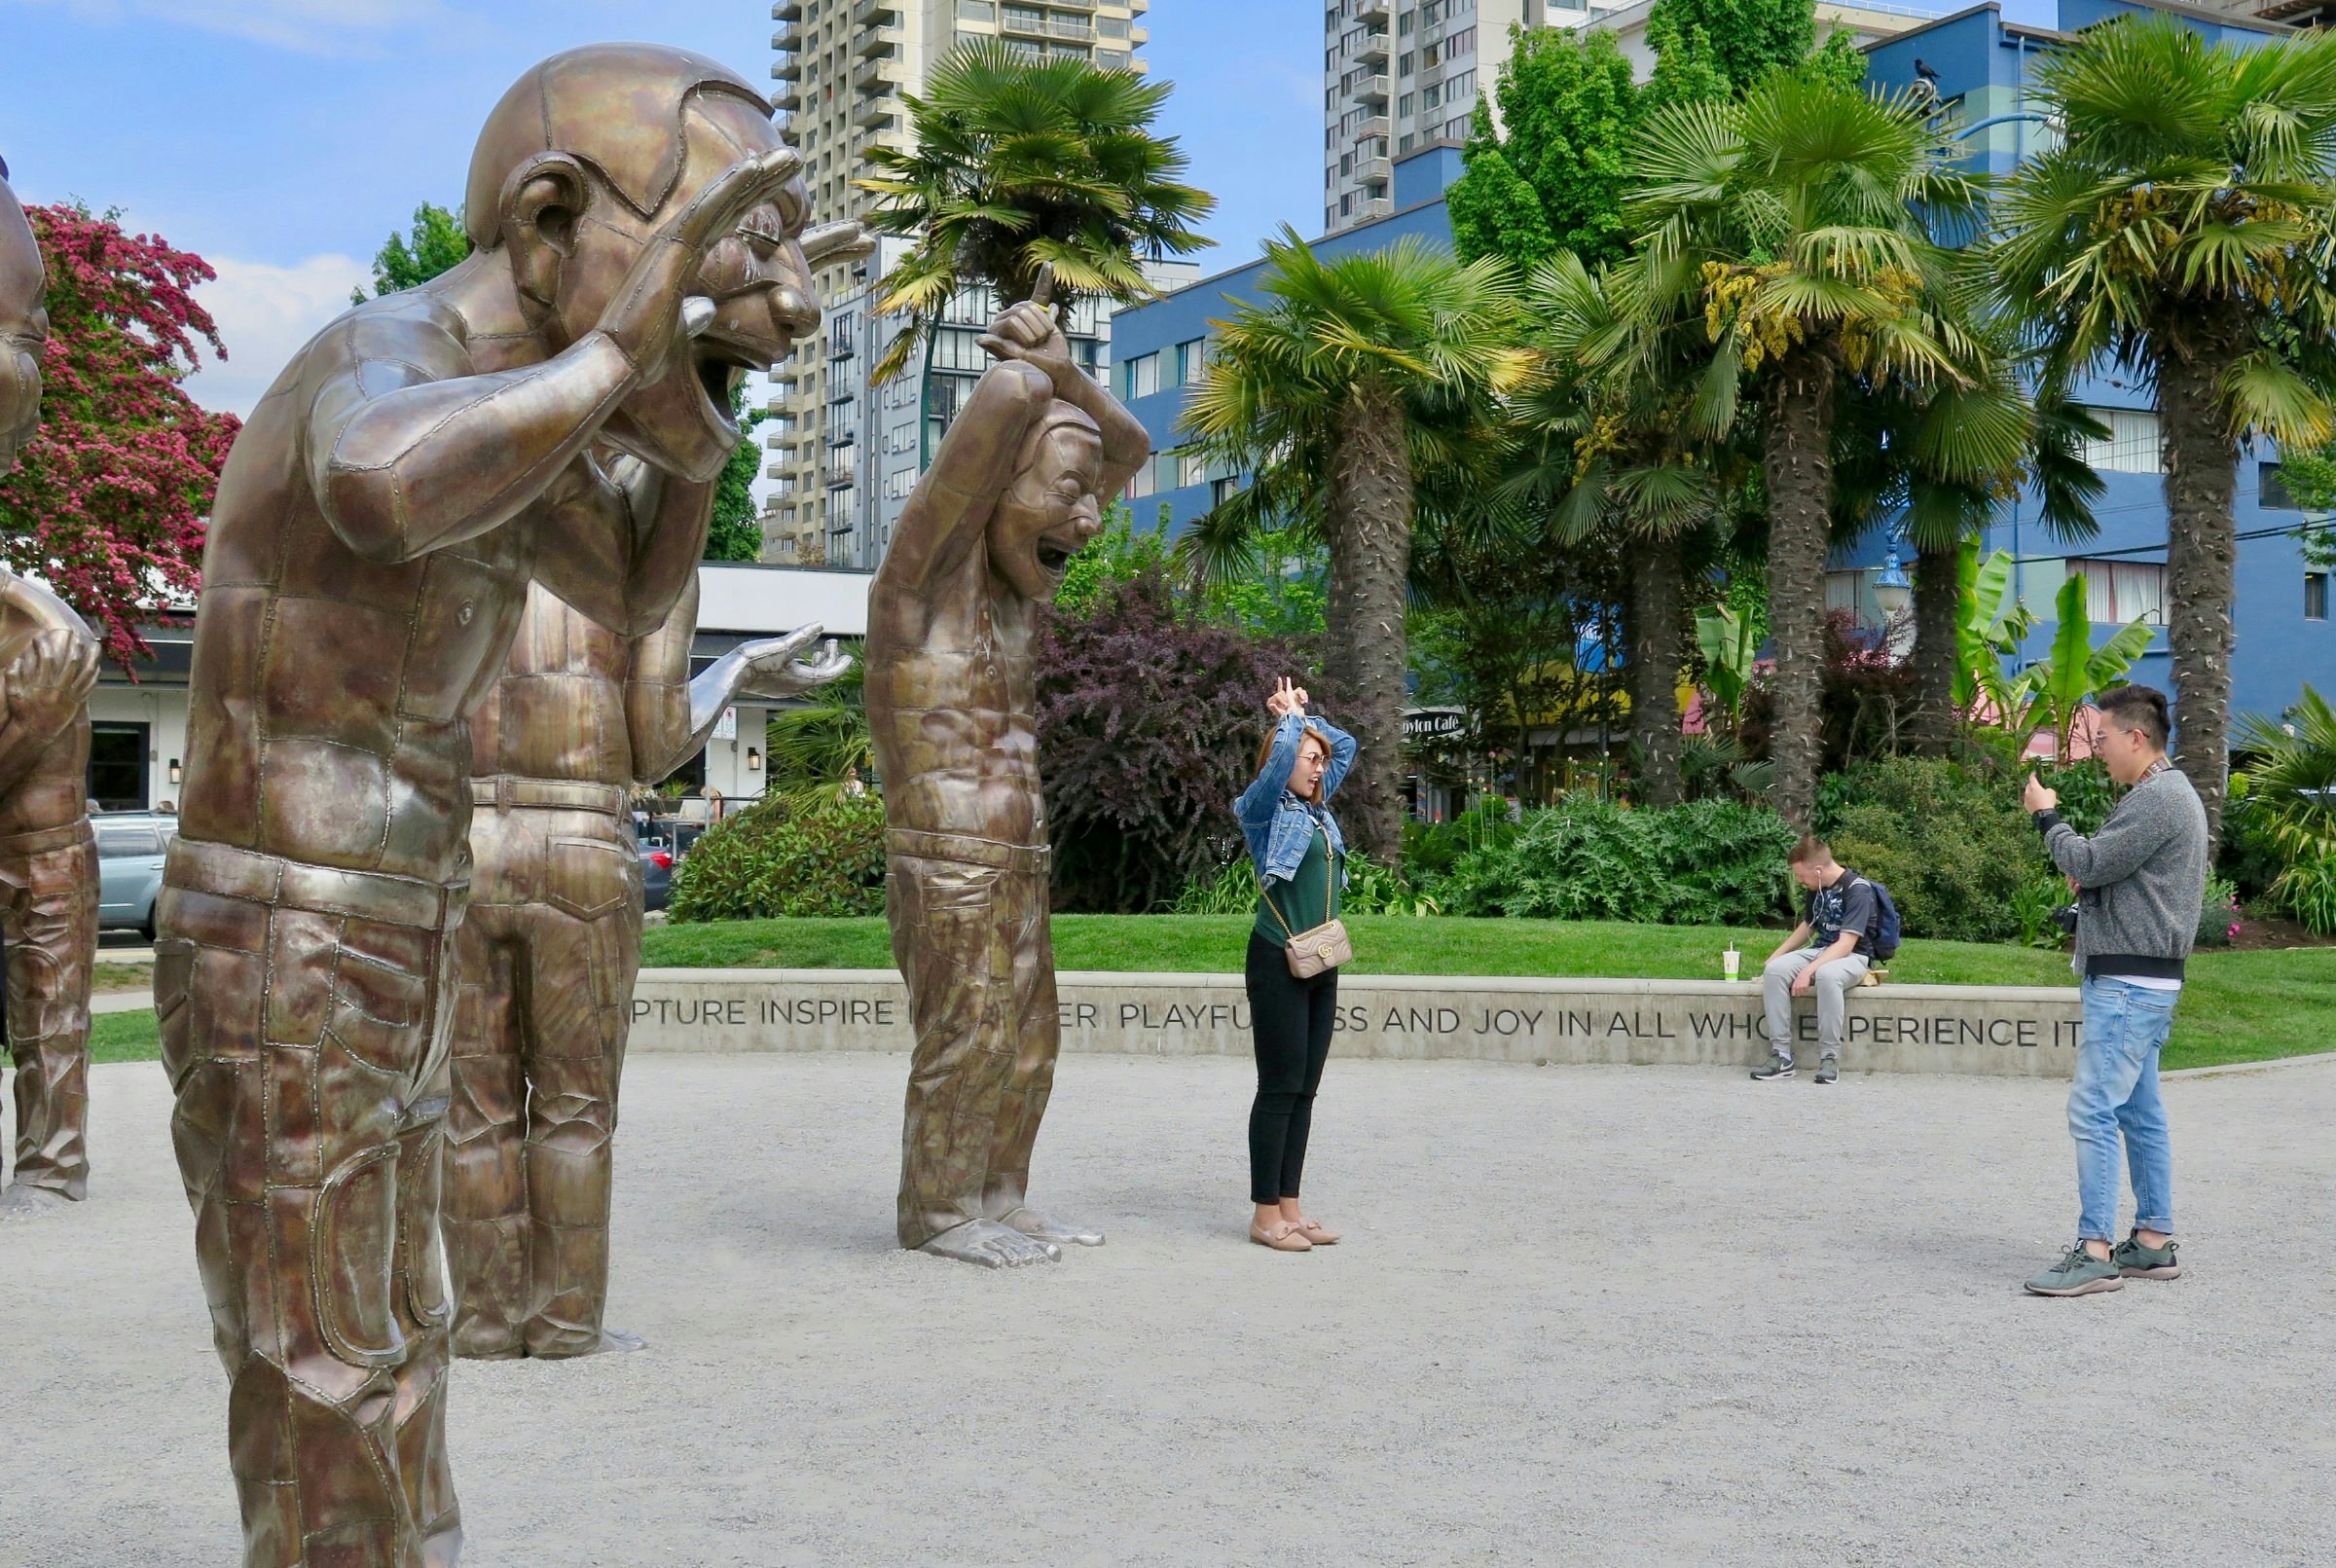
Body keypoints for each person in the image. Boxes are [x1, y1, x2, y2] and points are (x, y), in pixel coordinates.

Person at [150, 46, 811, 1563]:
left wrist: (686, 404)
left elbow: (639, 614)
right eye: (726, 240)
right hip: (291, 920)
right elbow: (378, 482)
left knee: (403, 1329)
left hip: (402, 913)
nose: (764, 293)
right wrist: (621, 353)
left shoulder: (525, 418)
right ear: (550, 215)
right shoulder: (382, 355)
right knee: (323, 1354)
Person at [867, 280, 1147, 1268]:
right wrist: (1030, 372)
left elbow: (1131, 449)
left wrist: (1070, 373)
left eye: (1089, 499)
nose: (1088, 517)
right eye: (1065, 492)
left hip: (1019, 853)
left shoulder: (1015, 608)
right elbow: (999, 409)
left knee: (1031, 1043)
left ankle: (998, 1194)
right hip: (949, 856)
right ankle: (939, 1209)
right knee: (972, 1033)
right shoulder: (917, 594)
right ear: (993, 488)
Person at [2018, 684, 2206, 1297]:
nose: (2097, 749)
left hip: (2127, 984)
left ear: (2136, 737)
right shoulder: (2166, 794)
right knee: (2137, 1111)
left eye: (2101, 739)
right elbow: (2108, 868)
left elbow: (2091, 862)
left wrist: (2046, 815)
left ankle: (2095, 1251)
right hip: (2145, 979)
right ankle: (2151, 1241)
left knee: (2093, 1110)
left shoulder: (2159, 797)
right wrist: (2092, 874)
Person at [1232, 677, 1356, 1252]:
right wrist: (1288, 722)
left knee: (1305, 1088)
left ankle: (1291, 1207)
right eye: (1310, 759)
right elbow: (1282, 755)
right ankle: (1264, 1216)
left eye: (1319, 761)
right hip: (1277, 960)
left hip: (1321, 958)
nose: (1319, 767)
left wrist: (1310, 718)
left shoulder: (1317, 811)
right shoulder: (1262, 810)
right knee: (1279, 1086)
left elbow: (1346, 746)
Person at [1750, 838, 1879, 1085]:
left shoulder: (1858, 889)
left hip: (1853, 956)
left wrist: (1807, 972)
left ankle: (1829, 1058)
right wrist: (1776, 955)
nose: (1800, 881)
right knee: (1775, 971)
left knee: (1827, 975)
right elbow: (1809, 925)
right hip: (1820, 950)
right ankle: (1781, 1056)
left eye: (1801, 875)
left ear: (1818, 870)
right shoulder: (1816, 887)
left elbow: (1846, 944)